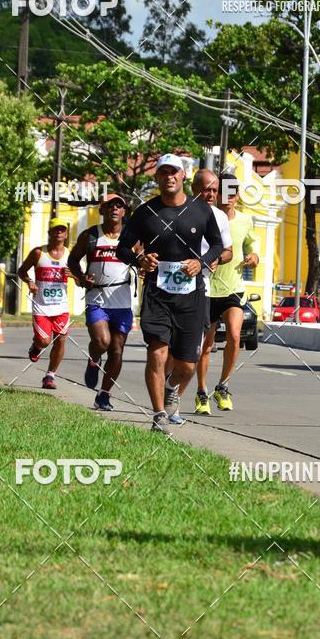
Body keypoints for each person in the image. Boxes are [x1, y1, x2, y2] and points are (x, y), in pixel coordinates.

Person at [117, 154, 224, 434]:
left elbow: (216, 245)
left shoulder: (201, 210)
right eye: (163, 172)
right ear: (157, 178)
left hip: (192, 295)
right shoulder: (145, 212)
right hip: (157, 293)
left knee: (187, 365)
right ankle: (159, 414)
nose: (169, 177)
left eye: (174, 172)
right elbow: (122, 247)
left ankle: (171, 388)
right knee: (157, 353)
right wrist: (139, 260)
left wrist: (200, 262)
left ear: (183, 176)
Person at [164, 169, 233, 423]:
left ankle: (175, 399)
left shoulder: (219, 217)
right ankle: (164, 395)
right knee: (168, 349)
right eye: (206, 189)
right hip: (168, 288)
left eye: (215, 190)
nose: (211, 194)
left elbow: (228, 252)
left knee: (191, 350)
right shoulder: (177, 209)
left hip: (200, 289)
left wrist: (214, 259)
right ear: (194, 188)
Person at [197, 174, 260, 412]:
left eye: (234, 191)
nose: (229, 196)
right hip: (207, 289)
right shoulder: (205, 218)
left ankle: (222, 386)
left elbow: (252, 246)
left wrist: (253, 258)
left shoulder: (245, 220)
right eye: (225, 191)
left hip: (233, 288)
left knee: (235, 335)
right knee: (206, 344)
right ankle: (202, 392)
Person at [68, 193, 134, 411]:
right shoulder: (91, 235)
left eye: (119, 205)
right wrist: (81, 278)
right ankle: (94, 359)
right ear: (102, 210)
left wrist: (144, 267)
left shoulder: (132, 237)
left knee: (117, 350)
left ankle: (104, 395)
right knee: (102, 342)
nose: (114, 208)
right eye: (109, 205)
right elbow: (72, 260)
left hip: (122, 302)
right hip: (97, 298)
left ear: (124, 211)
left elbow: (143, 259)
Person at [18, 218, 71, 390]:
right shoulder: (38, 253)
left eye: (62, 230)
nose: (59, 233)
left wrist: (75, 275)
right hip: (41, 305)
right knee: (44, 341)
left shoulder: (70, 255)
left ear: (66, 234)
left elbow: (80, 281)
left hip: (61, 306)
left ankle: (50, 376)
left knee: (61, 340)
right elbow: (21, 271)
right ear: (49, 233)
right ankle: (36, 346)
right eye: (56, 230)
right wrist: (29, 282)